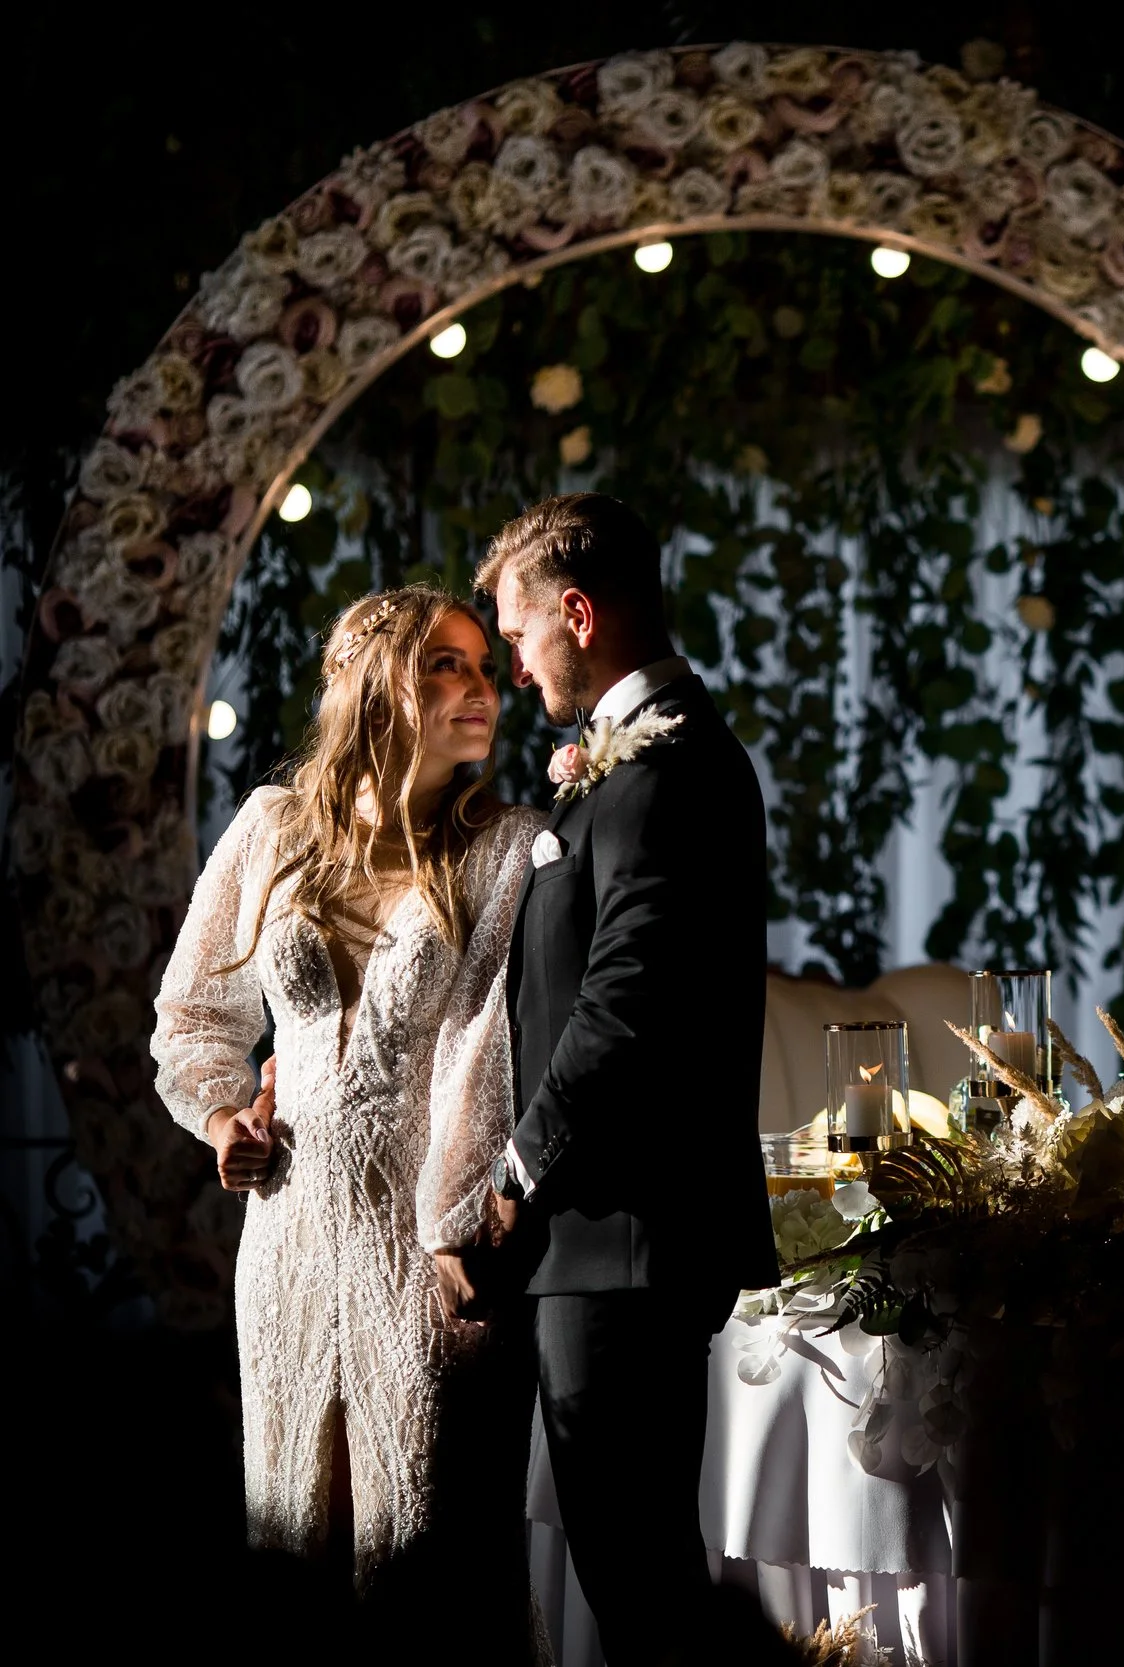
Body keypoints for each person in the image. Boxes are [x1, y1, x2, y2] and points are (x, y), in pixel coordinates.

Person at [150, 585, 543, 1657]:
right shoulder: (273, 826)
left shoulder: (507, 846)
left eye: (482, 664)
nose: (481, 688)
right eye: (445, 667)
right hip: (285, 1237)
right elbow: (193, 1009)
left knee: (421, 1552)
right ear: (376, 687)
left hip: (424, 1244)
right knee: (288, 1546)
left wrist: (462, 1221)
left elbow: (487, 1052)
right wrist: (226, 1109)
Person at [478, 493, 776, 1666]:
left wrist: (517, 1167)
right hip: (616, 1242)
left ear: (578, 611)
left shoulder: (670, 769)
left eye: (515, 635)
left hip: (628, 1238)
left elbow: (623, 1003)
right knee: (637, 1575)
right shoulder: (635, 765)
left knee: (642, 1585)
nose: (511, 665)